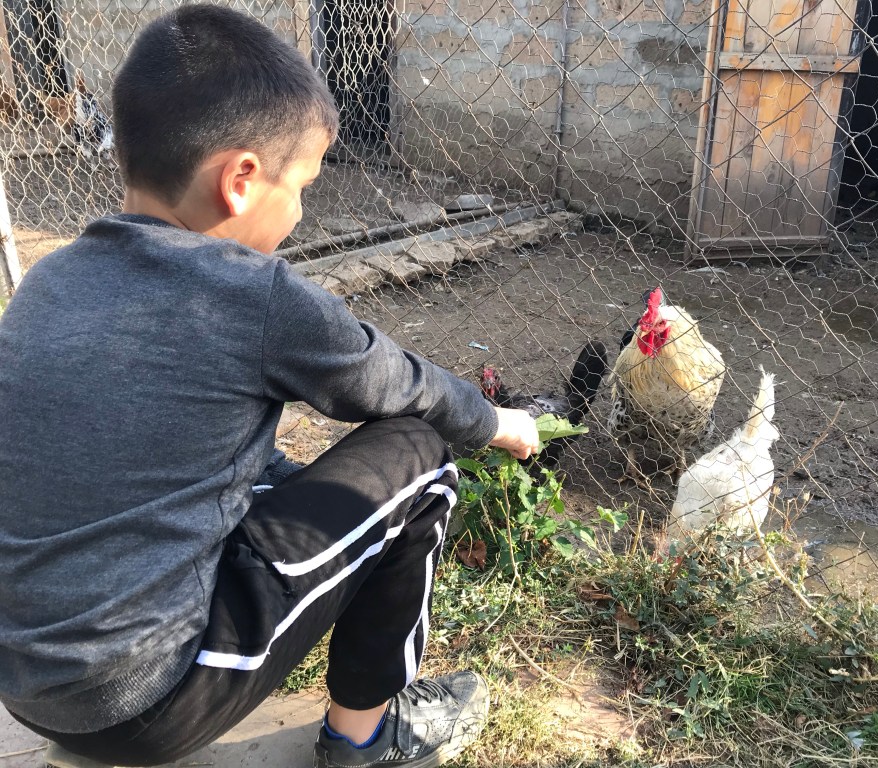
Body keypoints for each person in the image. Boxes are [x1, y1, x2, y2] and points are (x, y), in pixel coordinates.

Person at [0, 5, 539, 768]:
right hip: (147, 701)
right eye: (305, 185)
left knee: (279, 476)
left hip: (26, 686)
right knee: (420, 456)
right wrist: (496, 422)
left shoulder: (50, 281)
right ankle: (366, 737)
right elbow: (397, 383)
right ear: (242, 180)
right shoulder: (251, 295)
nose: (303, 209)